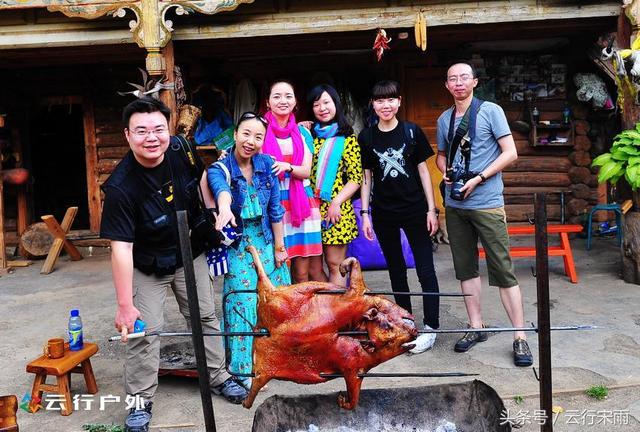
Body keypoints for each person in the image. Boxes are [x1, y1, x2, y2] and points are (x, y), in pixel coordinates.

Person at [100, 97, 248, 432]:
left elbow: (199, 181)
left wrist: (211, 215)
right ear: (127, 135)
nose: (151, 137)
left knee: (206, 315)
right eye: (141, 131)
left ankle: (218, 375)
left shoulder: (181, 149)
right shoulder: (121, 188)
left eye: (157, 129)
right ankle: (139, 401)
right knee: (143, 332)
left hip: (188, 251)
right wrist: (125, 305)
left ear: (168, 129)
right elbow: (120, 249)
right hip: (147, 264)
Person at [436, 62, 533, 367]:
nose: (459, 82)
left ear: (475, 81)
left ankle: (520, 336)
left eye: (464, 77)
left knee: (503, 270)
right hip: (456, 206)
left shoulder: (490, 111)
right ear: (447, 85)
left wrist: (479, 177)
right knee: (465, 270)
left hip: (488, 203)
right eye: (453, 78)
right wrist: (446, 173)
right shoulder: (444, 119)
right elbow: (441, 157)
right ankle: (475, 326)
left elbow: (510, 153)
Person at [207, 111, 291, 388]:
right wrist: (224, 206)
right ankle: (241, 369)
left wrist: (280, 248)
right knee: (242, 302)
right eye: (246, 134)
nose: (251, 141)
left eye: (258, 137)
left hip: (266, 240)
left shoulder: (266, 164)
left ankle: (274, 361)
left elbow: (276, 210)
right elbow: (220, 188)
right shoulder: (221, 167)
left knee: (274, 302)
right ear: (235, 135)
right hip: (239, 245)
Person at [359, 80, 441, 354]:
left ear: (399, 102)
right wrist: (366, 214)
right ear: (373, 104)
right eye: (380, 101)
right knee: (396, 269)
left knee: (425, 269)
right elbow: (367, 177)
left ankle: (431, 327)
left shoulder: (411, 132)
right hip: (384, 212)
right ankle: (405, 323)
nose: (386, 105)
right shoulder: (367, 137)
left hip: (415, 209)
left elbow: (423, 172)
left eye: (391, 100)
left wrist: (432, 209)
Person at [262, 80, 322, 283]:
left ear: (295, 101)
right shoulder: (259, 131)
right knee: (279, 269)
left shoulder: (303, 133)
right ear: (268, 102)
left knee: (302, 272)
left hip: (302, 205)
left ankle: (306, 314)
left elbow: (306, 171)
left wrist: (287, 167)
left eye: (288, 96)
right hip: (274, 203)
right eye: (276, 96)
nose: (283, 101)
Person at [307, 84, 363, 285]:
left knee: (335, 265)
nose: (322, 108)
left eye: (326, 102)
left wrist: (336, 202)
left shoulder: (348, 139)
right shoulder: (307, 136)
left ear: (336, 105)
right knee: (312, 269)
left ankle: (336, 314)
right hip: (309, 209)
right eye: (316, 104)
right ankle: (326, 308)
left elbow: (356, 178)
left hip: (336, 209)